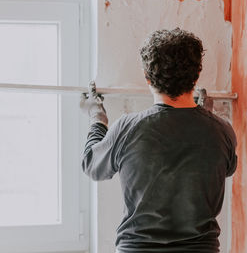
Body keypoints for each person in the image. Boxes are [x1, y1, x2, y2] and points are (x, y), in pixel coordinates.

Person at [80, 28, 237, 253]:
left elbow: (92, 165)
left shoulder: (128, 129)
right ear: (197, 74)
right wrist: (206, 116)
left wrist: (97, 117)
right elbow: (227, 168)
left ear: (147, 77)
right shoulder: (222, 131)